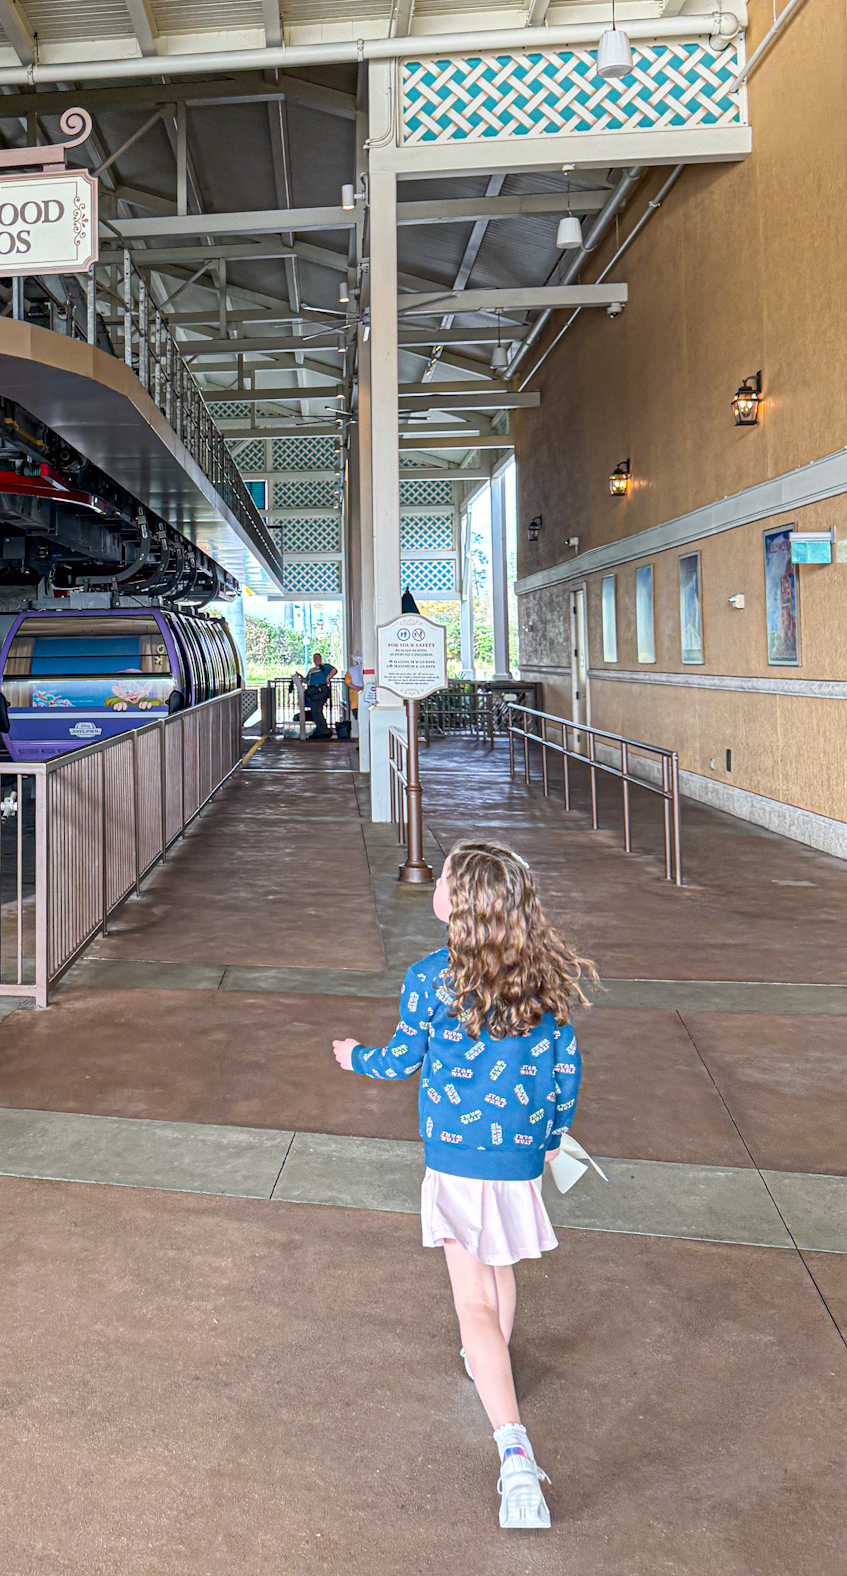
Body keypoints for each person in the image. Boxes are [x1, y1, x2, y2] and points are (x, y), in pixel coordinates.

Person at [331, 839, 594, 1530]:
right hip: (519, 1160)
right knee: (501, 1272)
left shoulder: (430, 979)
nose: (437, 881)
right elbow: (567, 1080)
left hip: (457, 1156)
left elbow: (398, 1063)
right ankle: (490, 1366)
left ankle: (514, 1457)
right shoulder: (544, 980)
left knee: (472, 1300)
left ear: (461, 905)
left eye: (445, 876)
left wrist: (352, 1055)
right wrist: (548, 1138)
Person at [304, 652, 335, 739]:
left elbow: (334, 670)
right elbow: (307, 680)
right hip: (312, 691)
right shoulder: (311, 670)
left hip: (320, 690)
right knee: (315, 711)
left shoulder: (325, 667)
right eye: (314, 658)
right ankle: (321, 729)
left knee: (316, 710)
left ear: (320, 659)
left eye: (317, 658)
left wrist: (328, 678)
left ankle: (323, 730)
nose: (316, 660)